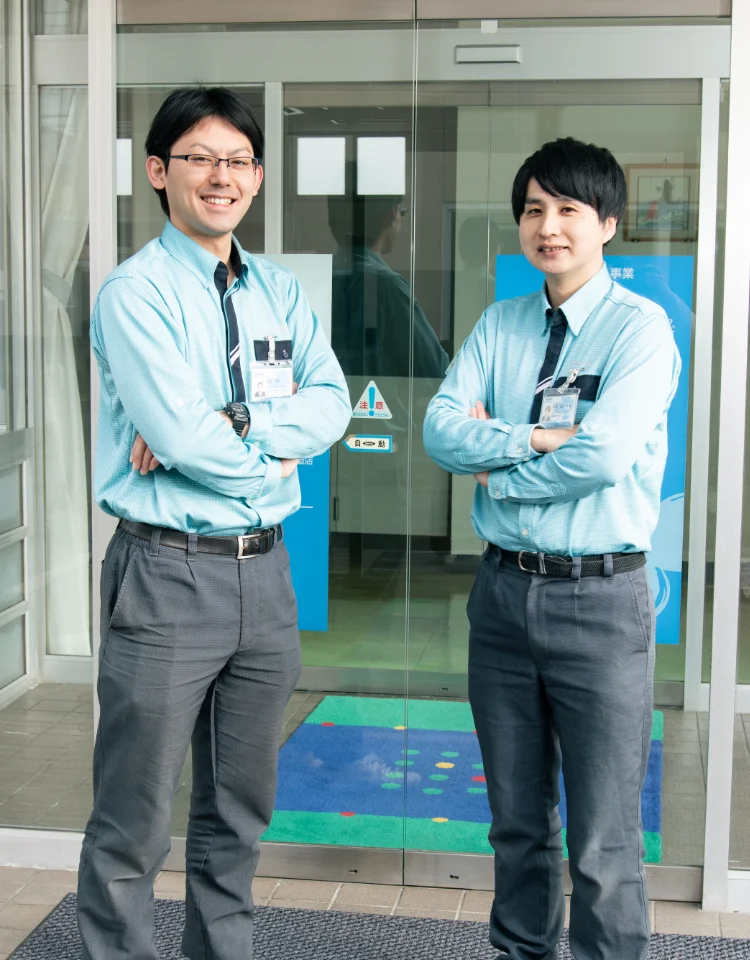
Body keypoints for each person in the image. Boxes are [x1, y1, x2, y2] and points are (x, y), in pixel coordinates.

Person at [77, 86, 350, 960]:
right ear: (159, 171)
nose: (221, 176)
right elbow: (180, 436)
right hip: (167, 573)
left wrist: (234, 425)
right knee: (135, 813)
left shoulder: (279, 291)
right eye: (200, 158)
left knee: (240, 805)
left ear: (258, 177)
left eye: (238, 161)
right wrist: (268, 460)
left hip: (265, 576)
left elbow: (332, 404)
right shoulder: (136, 293)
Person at [424, 137, 680, 960]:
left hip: (600, 601)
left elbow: (602, 458)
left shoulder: (641, 331)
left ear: (608, 222)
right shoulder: (499, 324)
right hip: (502, 597)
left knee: (604, 838)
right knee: (517, 823)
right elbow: (439, 429)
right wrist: (534, 438)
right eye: (534, 209)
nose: (549, 226)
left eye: (569, 208)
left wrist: (497, 477)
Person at [329, 194, 449, 379]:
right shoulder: (386, 286)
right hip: (374, 397)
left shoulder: (322, 278)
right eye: (402, 212)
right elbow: (434, 368)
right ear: (390, 215)